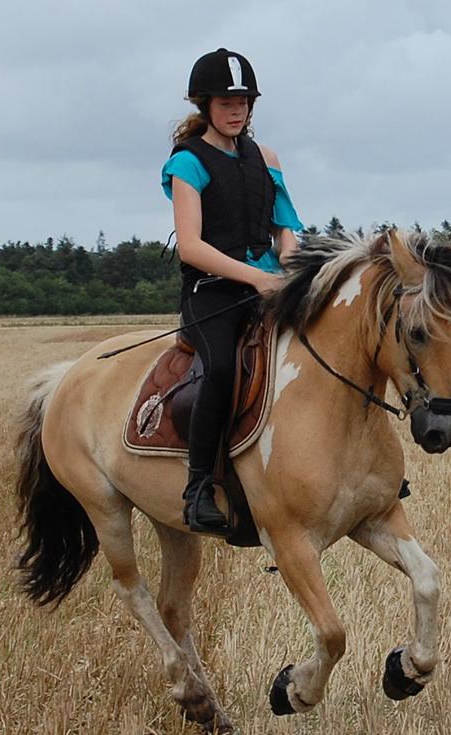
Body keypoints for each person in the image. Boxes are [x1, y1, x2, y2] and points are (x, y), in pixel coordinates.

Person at [162, 48, 304, 534]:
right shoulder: (188, 163)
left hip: (269, 285)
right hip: (212, 292)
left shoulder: (267, 159)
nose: (237, 109)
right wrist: (255, 277)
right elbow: (191, 247)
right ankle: (199, 486)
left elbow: (287, 227)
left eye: (244, 101)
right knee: (222, 368)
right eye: (226, 101)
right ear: (205, 104)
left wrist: (286, 267)